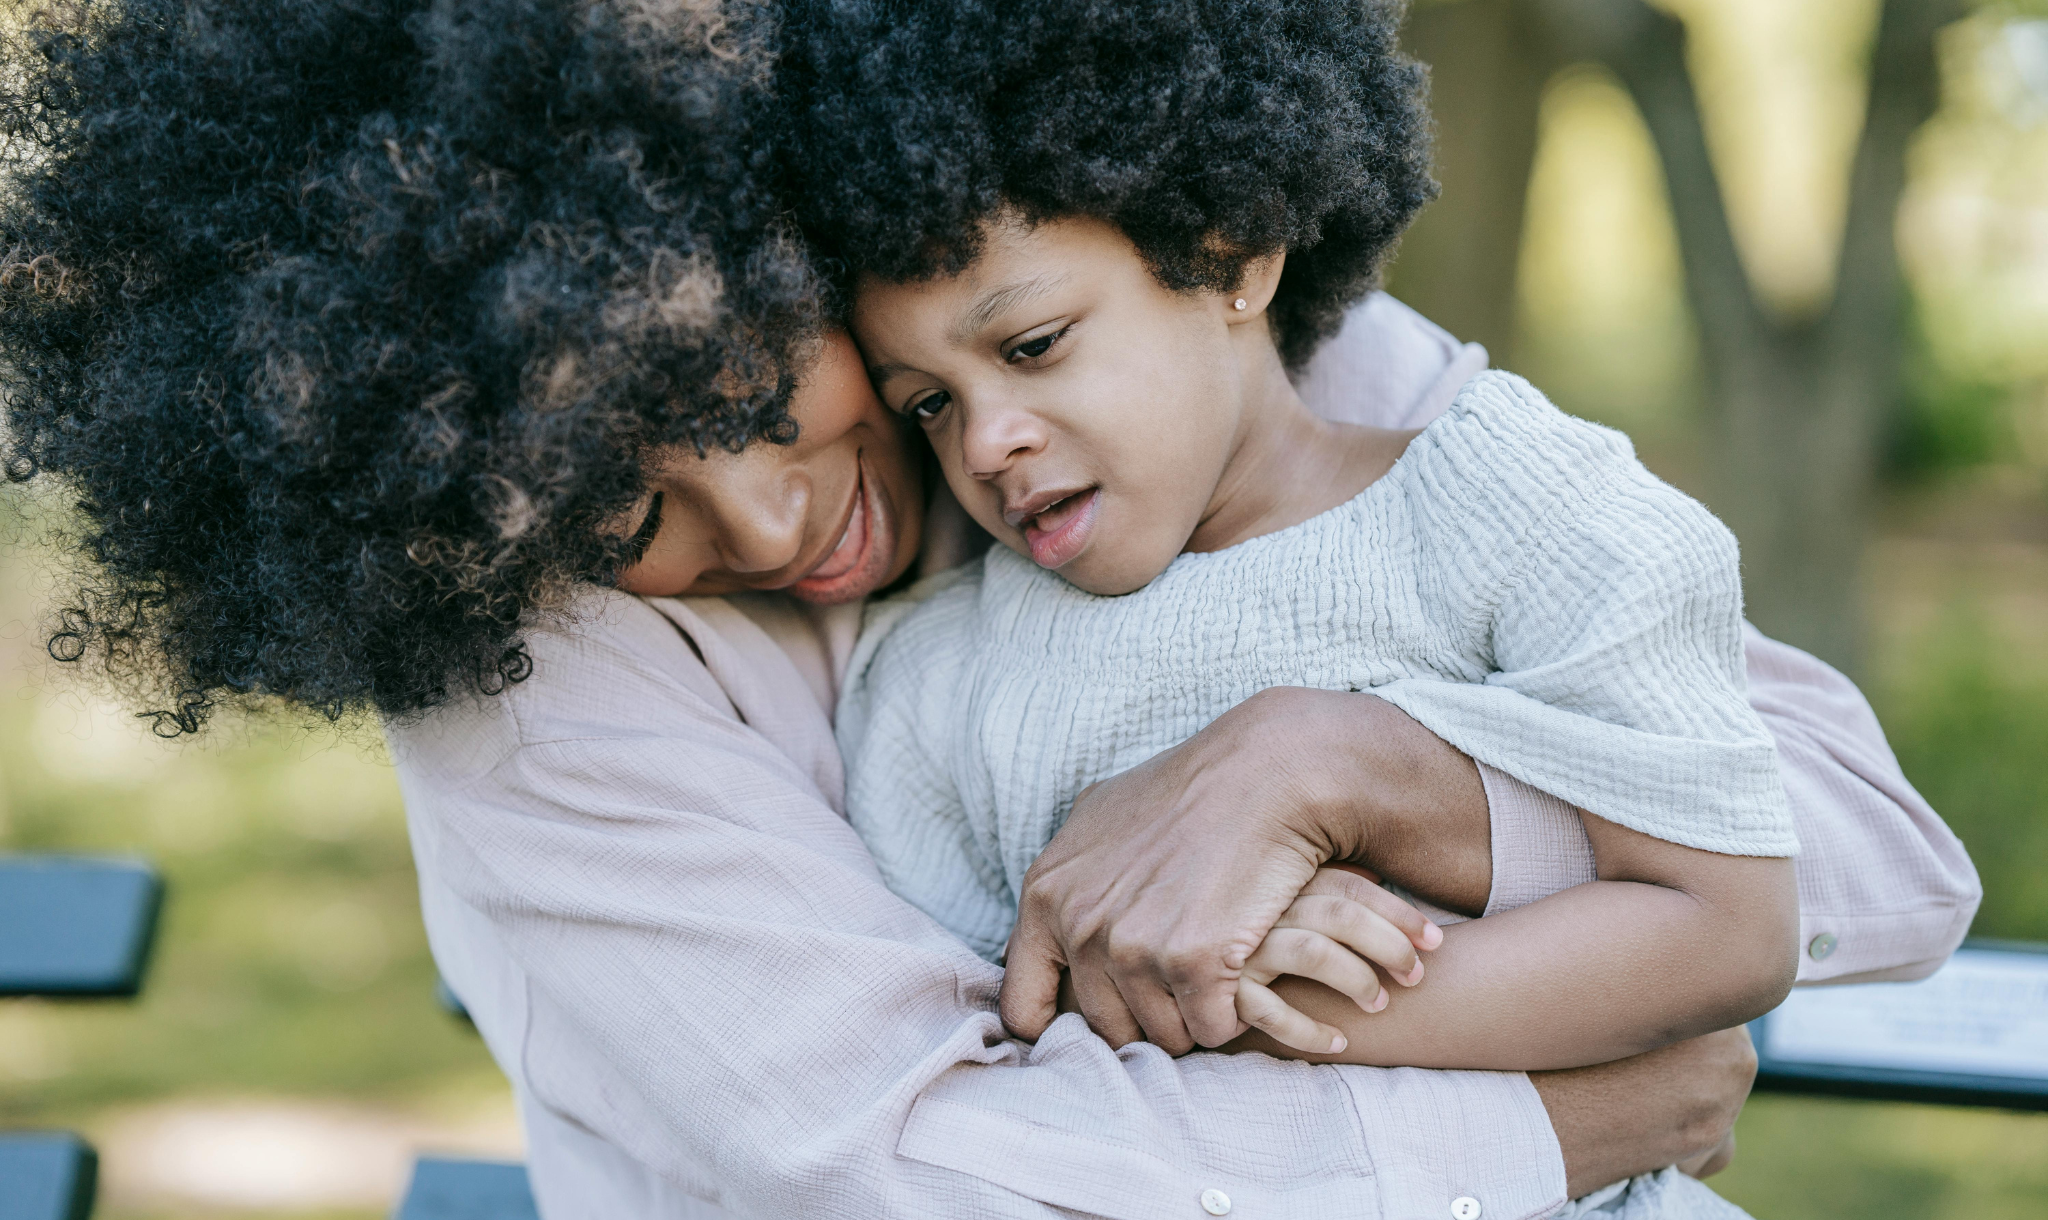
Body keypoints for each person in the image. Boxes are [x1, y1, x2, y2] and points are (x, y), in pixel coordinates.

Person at [0, 2, 1980, 1218]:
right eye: (627, 508)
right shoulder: (532, 682)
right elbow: (905, 1164)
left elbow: (1862, 851)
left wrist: (1354, 770)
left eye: (739, 383)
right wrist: (1559, 1110)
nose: (775, 516)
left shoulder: (1189, 320)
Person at [808, 0, 1798, 1071]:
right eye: (928, 404)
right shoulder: (938, 678)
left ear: (1230, 254)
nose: (987, 442)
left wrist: (1263, 994)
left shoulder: (1509, 506)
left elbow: (1728, 925)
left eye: (1033, 344)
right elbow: (976, 1060)